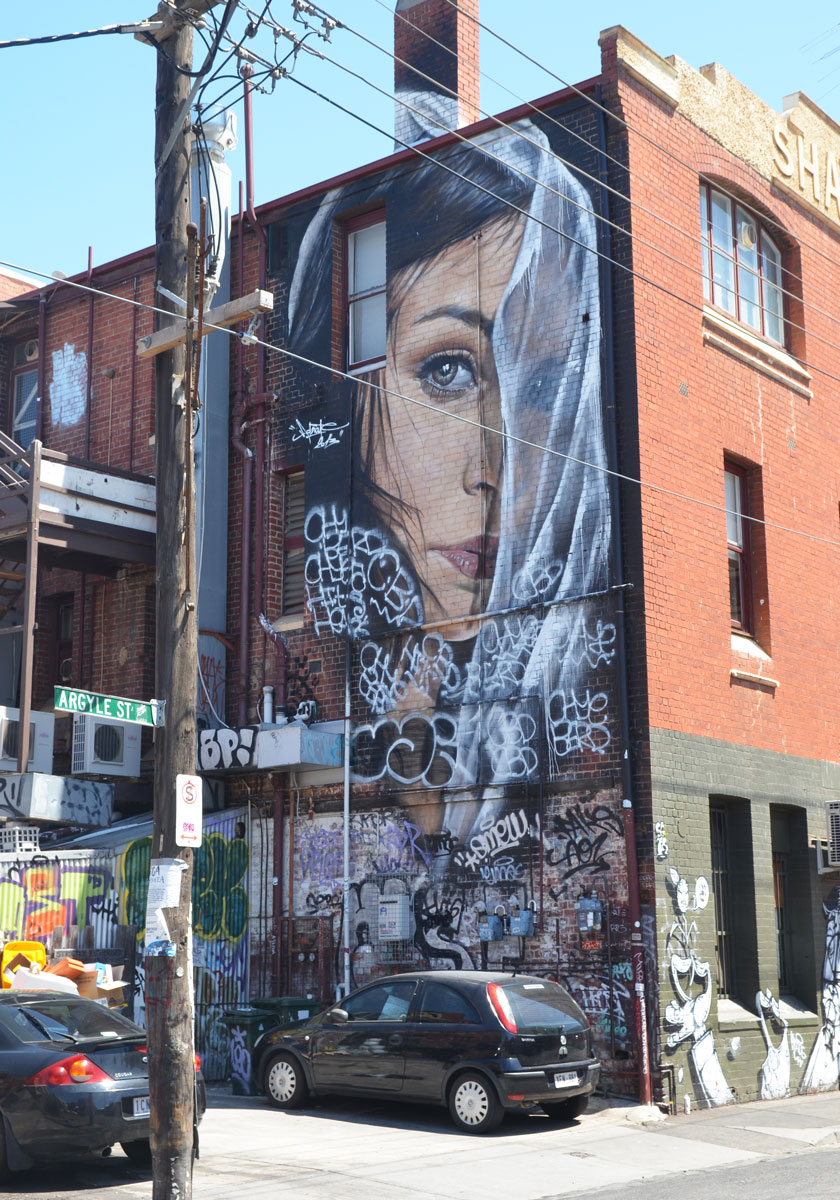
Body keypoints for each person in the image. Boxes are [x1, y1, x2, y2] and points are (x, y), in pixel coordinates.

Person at [287, 109, 614, 852]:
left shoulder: (569, 682)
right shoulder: (334, 674)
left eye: (540, 389)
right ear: (354, 401)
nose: (493, 473)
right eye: (448, 370)